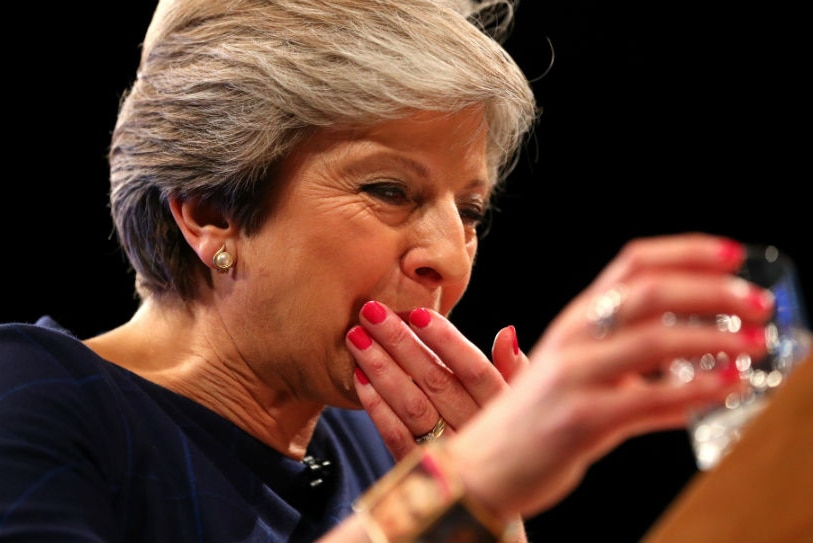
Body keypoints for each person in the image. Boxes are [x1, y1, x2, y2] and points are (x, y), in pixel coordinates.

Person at [0, 0, 776, 542]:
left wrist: (493, 528)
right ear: (210, 212)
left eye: (469, 211)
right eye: (387, 190)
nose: (444, 253)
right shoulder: (33, 399)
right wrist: (466, 488)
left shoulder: (380, 446)